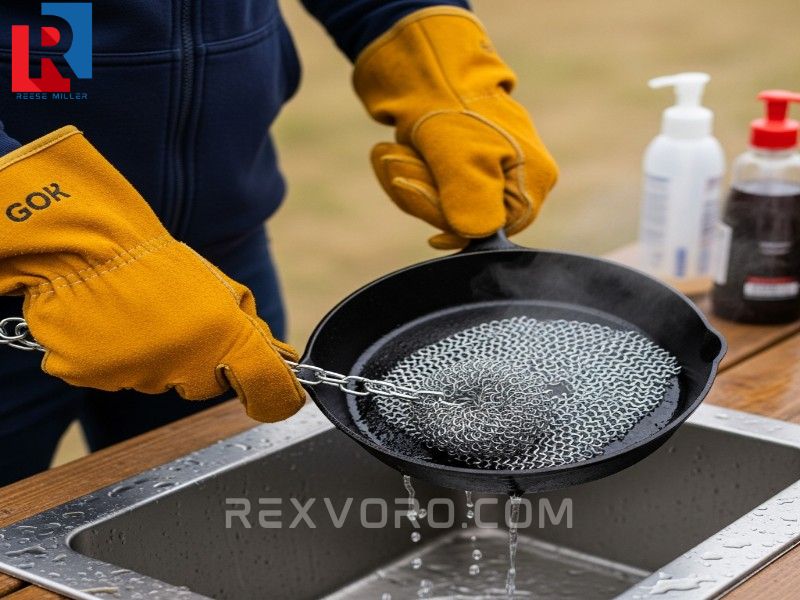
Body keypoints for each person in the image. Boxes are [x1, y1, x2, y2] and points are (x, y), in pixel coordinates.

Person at [0, 1, 558, 486]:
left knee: (214, 510)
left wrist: (436, 58)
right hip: (19, 268)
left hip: (220, 267)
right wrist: (57, 243)